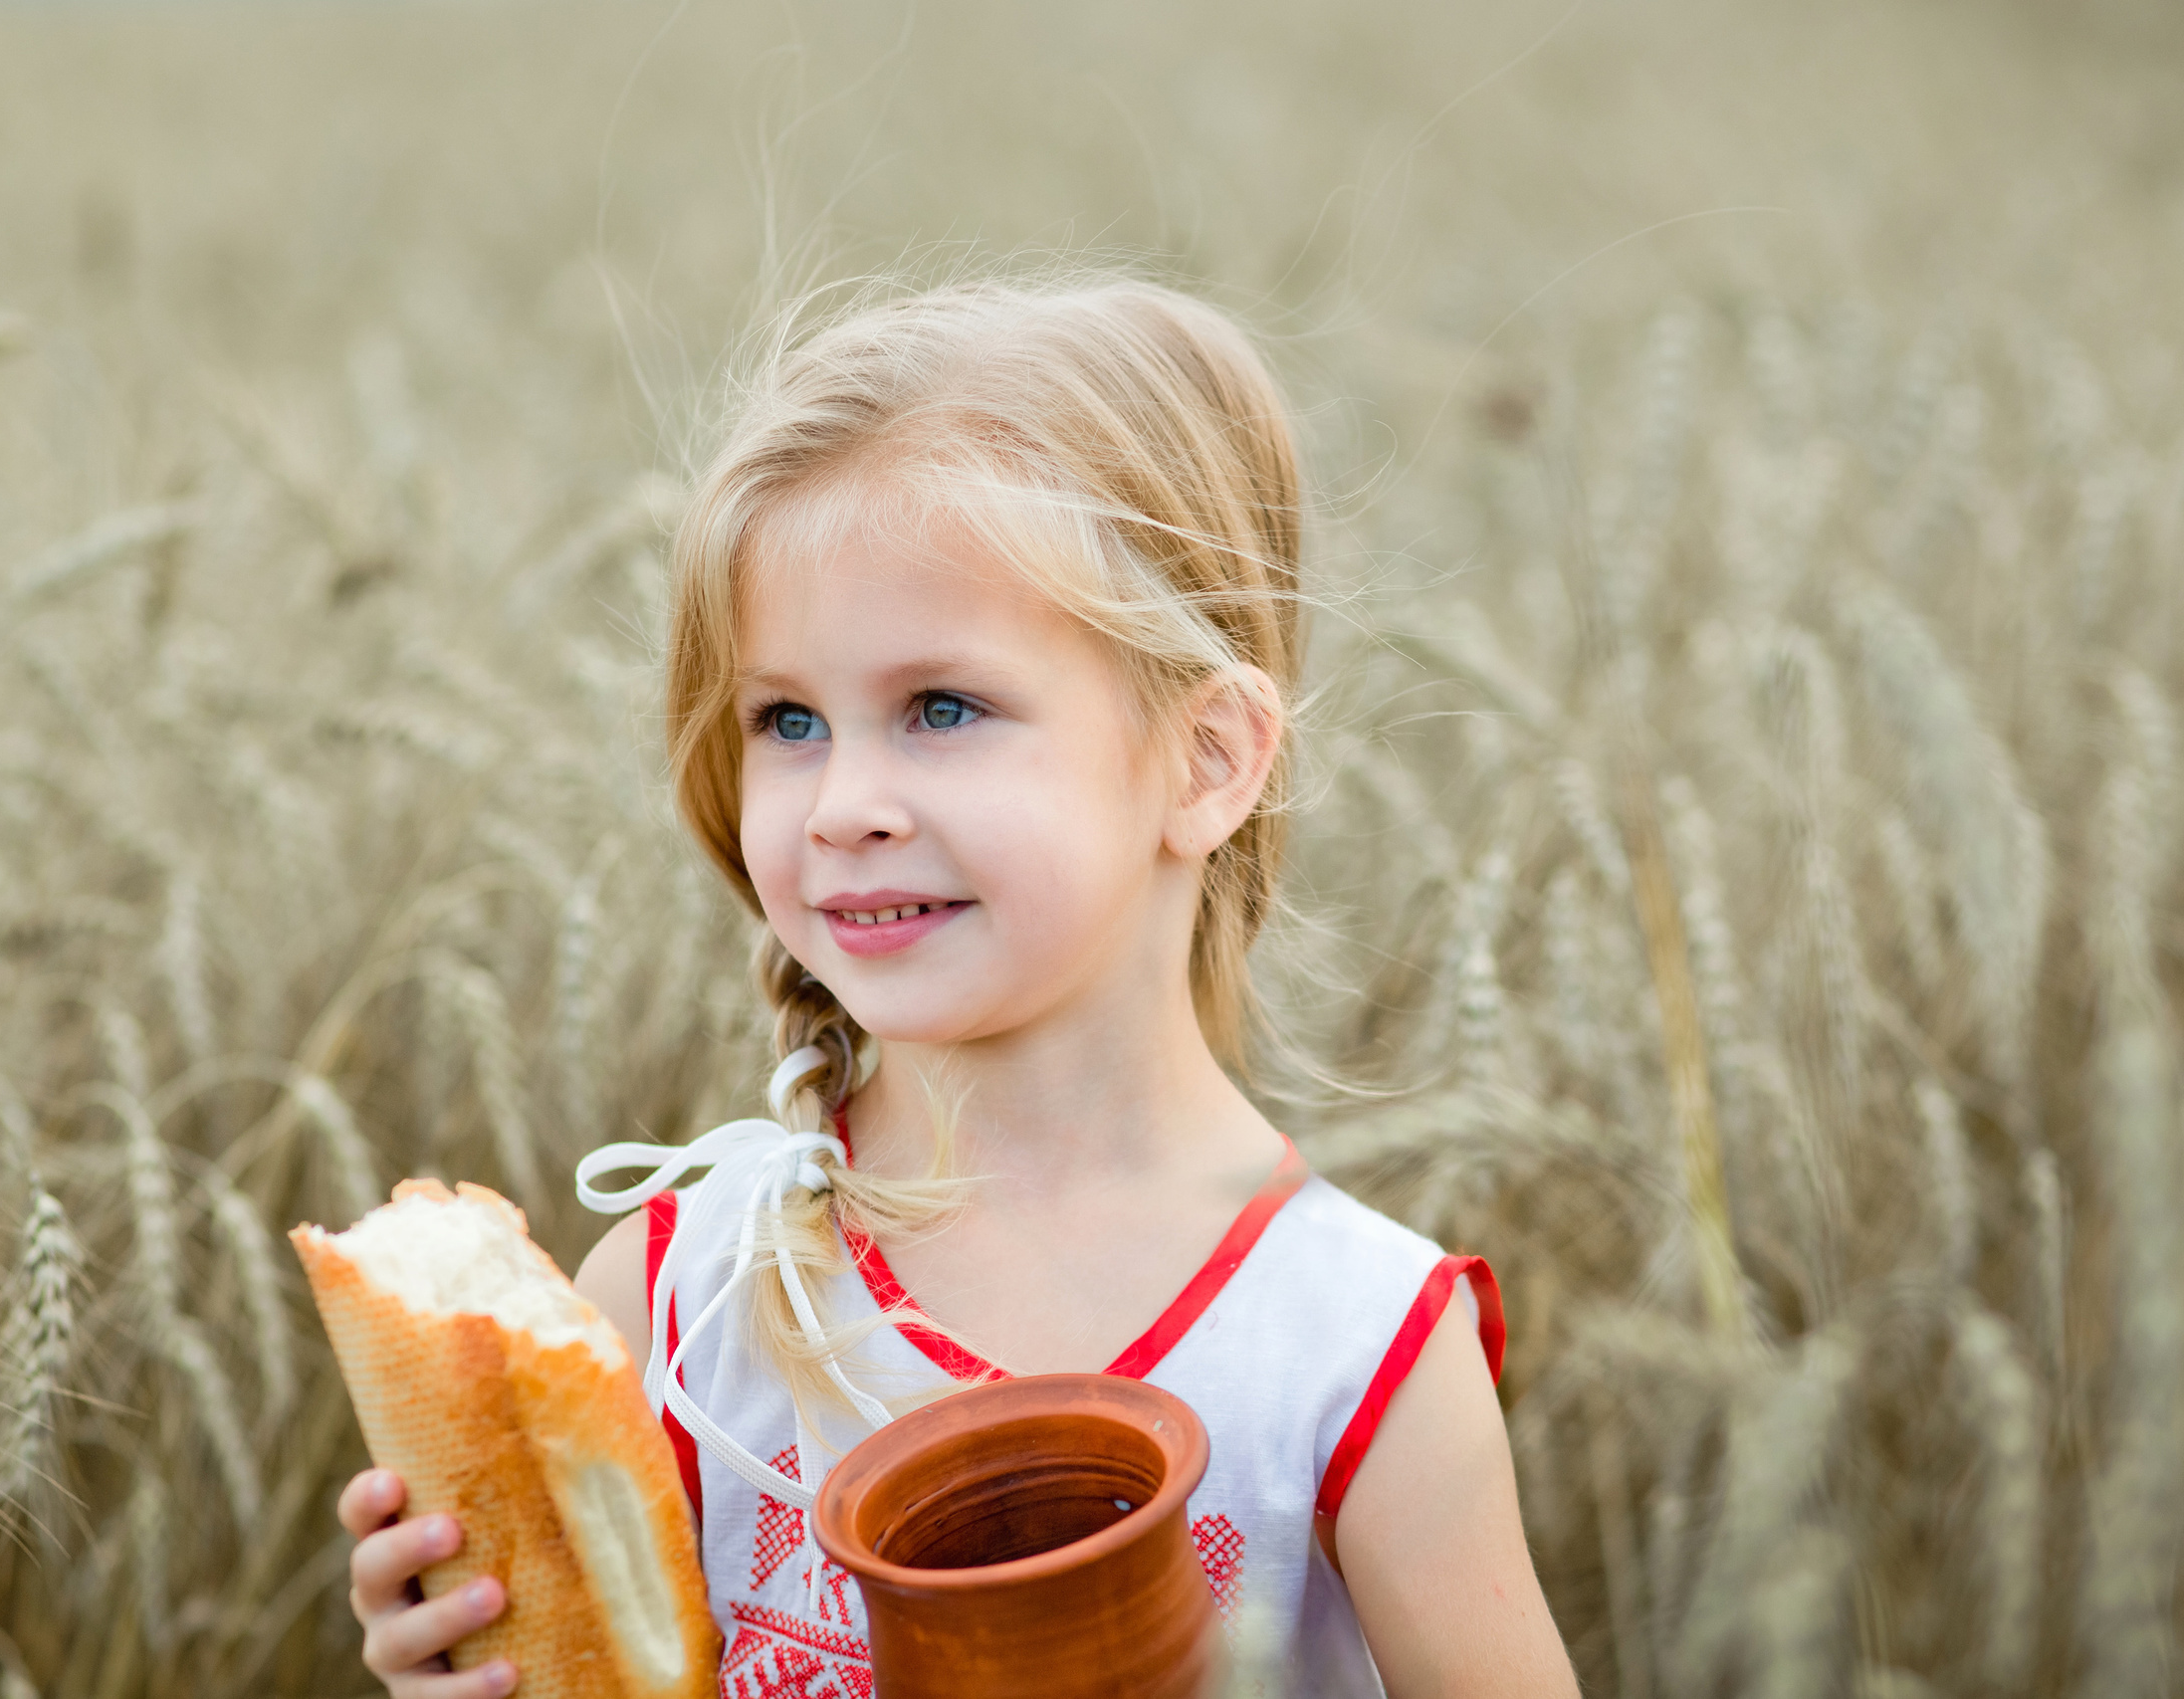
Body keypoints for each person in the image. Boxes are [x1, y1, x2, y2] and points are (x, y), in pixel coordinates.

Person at [337, 274, 1580, 1698]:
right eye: (788, 720)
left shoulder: (1356, 1351)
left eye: (943, 709)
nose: (843, 803)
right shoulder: (679, 1302)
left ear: (1207, 760)